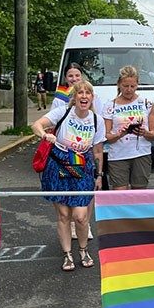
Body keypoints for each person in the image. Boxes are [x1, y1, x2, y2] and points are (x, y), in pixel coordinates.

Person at [31, 79, 105, 272]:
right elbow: (36, 125)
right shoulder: (63, 112)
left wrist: (99, 175)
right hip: (58, 164)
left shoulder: (97, 120)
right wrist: (44, 135)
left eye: (87, 93)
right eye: (80, 93)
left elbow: (97, 151)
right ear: (74, 97)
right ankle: (67, 255)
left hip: (82, 167)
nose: (84, 96)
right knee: (64, 215)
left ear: (92, 98)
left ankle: (83, 249)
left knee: (80, 216)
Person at [52, 62, 99, 239]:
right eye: (70, 76)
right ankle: (71, 225)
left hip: (86, 152)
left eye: (77, 75)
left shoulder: (91, 94)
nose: (74, 79)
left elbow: (97, 121)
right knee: (69, 189)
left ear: (82, 77)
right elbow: (53, 123)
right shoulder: (60, 98)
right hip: (66, 155)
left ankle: (84, 223)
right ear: (66, 78)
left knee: (87, 188)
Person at [102, 66, 154, 190]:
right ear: (119, 84)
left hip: (141, 154)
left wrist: (144, 133)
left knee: (139, 194)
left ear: (137, 85)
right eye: (125, 86)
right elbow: (106, 137)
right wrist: (120, 133)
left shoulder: (146, 103)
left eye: (132, 86)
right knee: (120, 194)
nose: (129, 90)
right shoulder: (110, 105)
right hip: (118, 156)